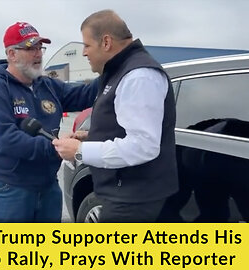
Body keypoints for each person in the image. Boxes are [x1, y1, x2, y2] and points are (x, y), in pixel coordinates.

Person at [53, 10, 179, 222]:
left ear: (106, 42)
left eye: (87, 45)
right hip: (126, 192)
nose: (84, 53)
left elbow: (143, 146)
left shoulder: (138, 76)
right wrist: (93, 135)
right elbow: (125, 125)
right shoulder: (120, 71)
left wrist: (81, 151)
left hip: (133, 200)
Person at [0, 22, 99, 222]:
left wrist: (113, 67)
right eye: (30, 48)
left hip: (47, 185)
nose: (38, 54)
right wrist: (56, 147)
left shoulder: (47, 86)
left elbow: (85, 95)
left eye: (40, 47)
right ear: (11, 54)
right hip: (9, 188)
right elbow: (7, 140)